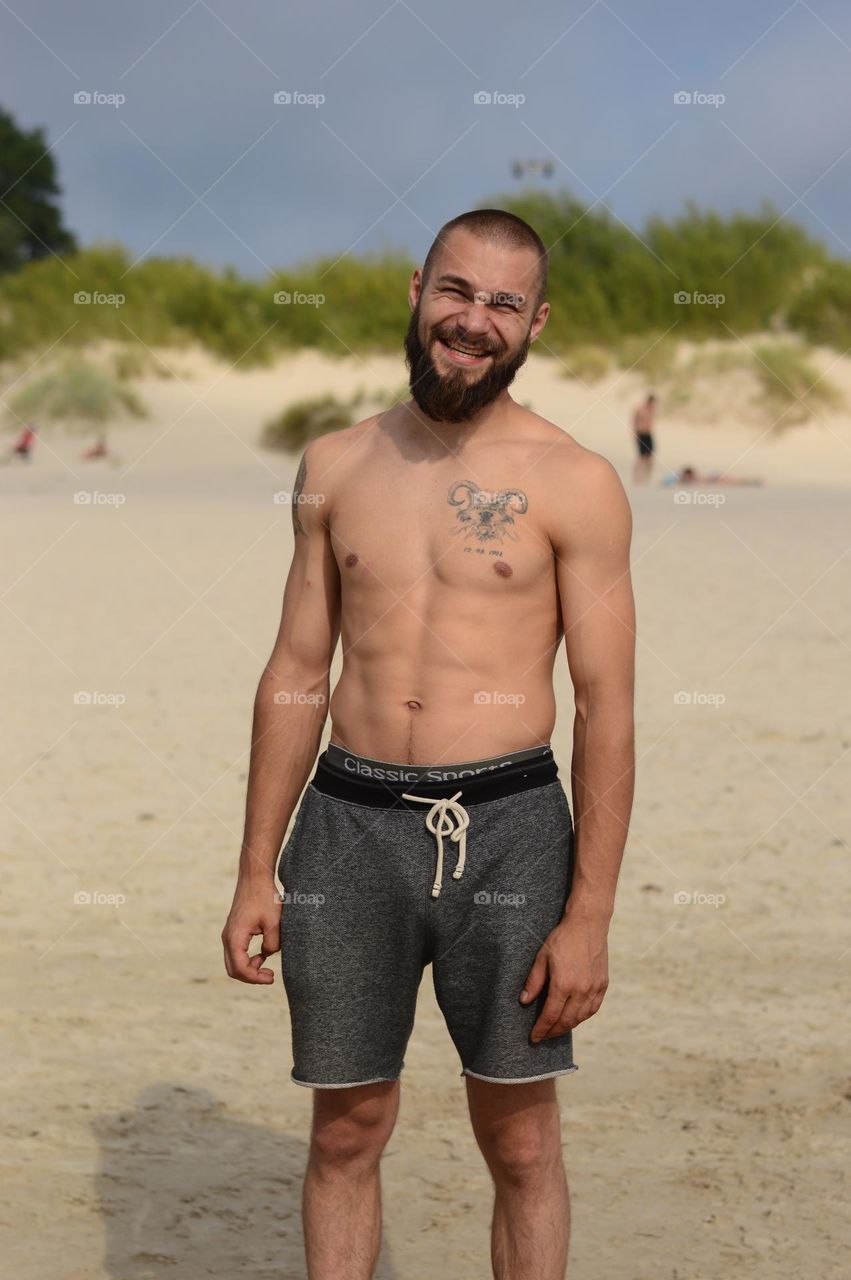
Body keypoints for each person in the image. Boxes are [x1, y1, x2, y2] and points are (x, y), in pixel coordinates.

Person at [222, 209, 636, 1280]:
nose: (473, 321)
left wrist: (586, 915)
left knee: (521, 1136)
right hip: (346, 826)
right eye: (456, 292)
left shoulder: (573, 478)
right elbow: (294, 672)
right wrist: (253, 867)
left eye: (502, 304)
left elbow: (606, 704)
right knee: (345, 1129)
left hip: (509, 829)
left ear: (535, 323)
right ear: (416, 289)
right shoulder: (335, 462)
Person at [662, 464, 763, 487]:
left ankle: (754, 481)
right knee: (734, 481)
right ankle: (753, 481)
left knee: (734, 481)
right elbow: (668, 482)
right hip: (713, 478)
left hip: (714, 477)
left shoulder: (692, 478)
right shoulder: (684, 478)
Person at [631, 392, 656, 483]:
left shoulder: (652, 410)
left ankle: (647, 478)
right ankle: (636, 478)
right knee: (641, 457)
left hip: (648, 434)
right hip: (641, 434)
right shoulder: (640, 409)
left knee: (649, 456)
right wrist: (635, 435)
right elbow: (634, 422)